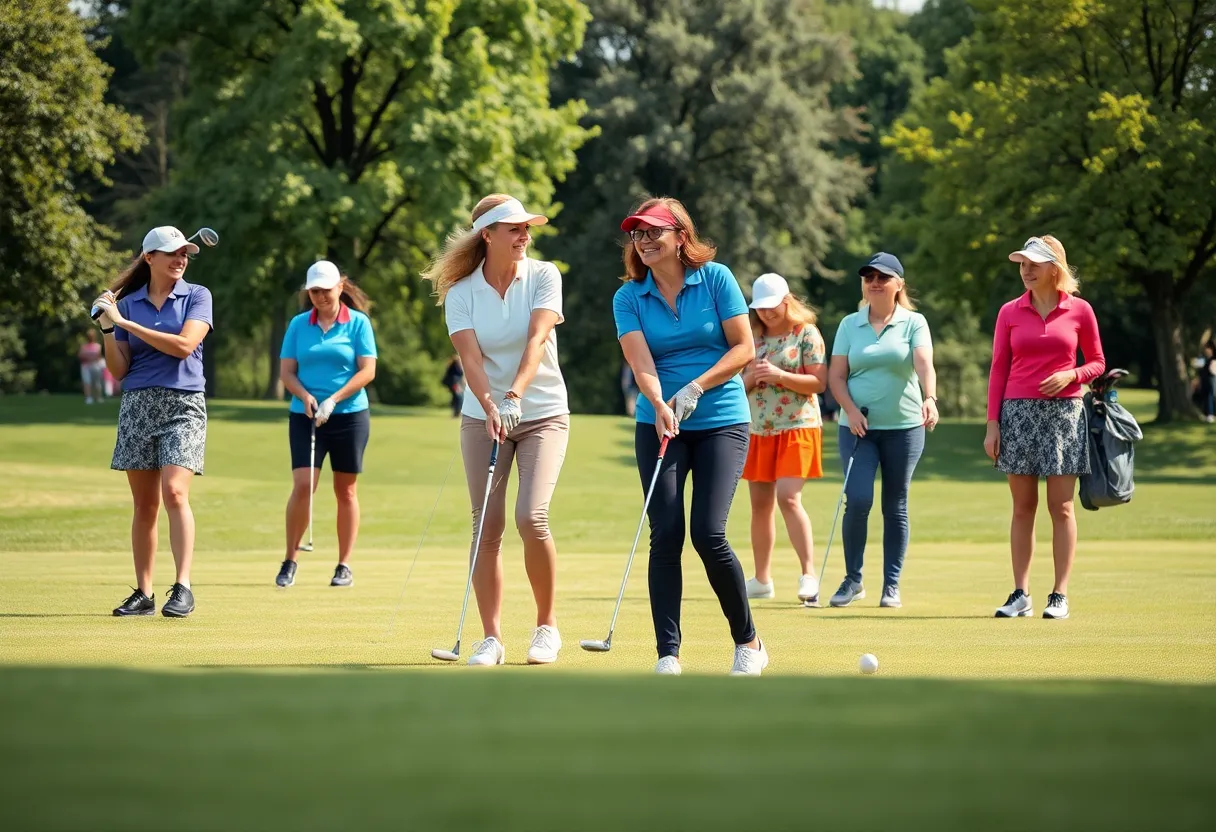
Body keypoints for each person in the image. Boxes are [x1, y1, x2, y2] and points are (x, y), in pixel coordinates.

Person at [612, 196, 768, 676]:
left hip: (721, 417)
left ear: (681, 236)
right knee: (666, 534)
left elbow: (744, 348)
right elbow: (640, 362)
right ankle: (668, 654)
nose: (644, 240)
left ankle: (748, 641)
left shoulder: (716, 278)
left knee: (708, 532)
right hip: (660, 421)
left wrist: (697, 386)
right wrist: (660, 403)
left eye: (654, 231)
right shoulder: (628, 297)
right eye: (637, 233)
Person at [422, 193, 570, 666]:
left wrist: (513, 397)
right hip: (481, 416)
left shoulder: (544, 275)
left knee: (532, 516)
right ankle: (491, 637)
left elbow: (537, 338)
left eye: (528, 228)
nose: (525, 236)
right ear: (487, 234)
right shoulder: (461, 292)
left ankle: (546, 627)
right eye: (515, 229)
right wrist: (490, 403)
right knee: (485, 523)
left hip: (543, 410)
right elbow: (469, 358)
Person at [90, 226, 214, 618]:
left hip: (184, 405)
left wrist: (124, 323)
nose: (181, 259)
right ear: (149, 258)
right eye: (172, 253)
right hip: (138, 403)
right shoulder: (127, 303)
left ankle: (183, 587)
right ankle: (144, 593)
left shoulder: (197, 295)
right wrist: (109, 328)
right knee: (144, 504)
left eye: (185, 254)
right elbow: (119, 369)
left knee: (175, 492)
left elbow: (184, 346)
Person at [985, 236, 1105, 620]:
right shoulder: (1009, 312)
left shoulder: (1080, 310)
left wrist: (1073, 374)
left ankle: (1060, 594)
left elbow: (1098, 362)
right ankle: (1021, 593)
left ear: (1056, 268)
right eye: (1022, 264)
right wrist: (992, 424)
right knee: (1023, 508)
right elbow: (999, 368)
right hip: (1017, 414)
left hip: (1065, 415)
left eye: (1035, 263)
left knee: (1063, 508)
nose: (1027, 270)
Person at [827, 252, 938, 610]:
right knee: (857, 500)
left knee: (896, 504)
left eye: (883, 277)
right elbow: (836, 377)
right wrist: (850, 410)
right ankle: (853, 580)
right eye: (869, 277)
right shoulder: (849, 324)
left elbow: (923, 363)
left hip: (904, 427)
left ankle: (891, 585)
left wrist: (930, 397)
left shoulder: (914, 323)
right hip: (857, 428)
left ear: (898, 284)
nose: (875, 282)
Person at [275, 261, 378, 589]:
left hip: (349, 415)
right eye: (314, 291)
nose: (319, 296)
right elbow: (287, 372)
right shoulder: (298, 325)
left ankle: (344, 565)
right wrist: (305, 396)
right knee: (304, 484)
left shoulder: (358, 323)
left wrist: (334, 399)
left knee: (345, 490)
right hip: (305, 414)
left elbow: (367, 371)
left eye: (325, 289)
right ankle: (290, 558)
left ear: (340, 287)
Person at [740, 273, 828, 605]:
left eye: (772, 307)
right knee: (760, 506)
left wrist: (779, 375)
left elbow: (818, 383)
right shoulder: (752, 338)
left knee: (788, 497)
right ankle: (762, 579)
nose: (766, 313)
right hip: (759, 427)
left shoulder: (805, 333)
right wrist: (751, 376)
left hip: (798, 425)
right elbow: (739, 386)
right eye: (760, 308)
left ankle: (808, 575)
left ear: (786, 301)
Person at [78, 330, 105, 404]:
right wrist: (89, 358)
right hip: (86, 366)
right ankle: (88, 398)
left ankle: (98, 397)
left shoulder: (97, 346)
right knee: (87, 382)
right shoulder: (84, 346)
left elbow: (98, 356)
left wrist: (89, 357)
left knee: (97, 382)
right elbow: (80, 355)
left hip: (95, 366)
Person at [1193, 339, 1215, 423]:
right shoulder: (1203, 357)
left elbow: (1213, 370)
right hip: (1204, 379)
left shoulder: (1212, 359)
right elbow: (1197, 366)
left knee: (1210, 396)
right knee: (1205, 396)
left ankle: (1210, 414)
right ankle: (1207, 414)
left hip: (1211, 379)